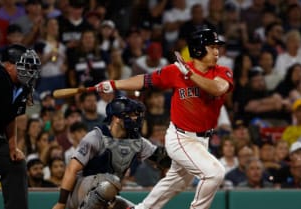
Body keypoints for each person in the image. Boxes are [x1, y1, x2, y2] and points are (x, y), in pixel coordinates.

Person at [95, 28, 233, 209]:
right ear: (199, 49)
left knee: (176, 183)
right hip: (181, 137)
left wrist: (190, 75)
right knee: (215, 173)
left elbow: (217, 89)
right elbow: (145, 81)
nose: (217, 51)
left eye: (217, 47)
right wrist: (113, 84)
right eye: (212, 47)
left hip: (202, 140)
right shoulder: (176, 71)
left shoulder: (222, 71)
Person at [52, 96, 171, 209]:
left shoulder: (137, 141)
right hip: (79, 192)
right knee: (109, 182)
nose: (135, 118)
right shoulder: (96, 136)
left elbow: (163, 159)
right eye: (130, 115)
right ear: (116, 118)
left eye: (136, 115)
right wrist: (61, 203)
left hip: (108, 195)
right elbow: (71, 169)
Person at [0, 44, 41, 209]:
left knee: (15, 165)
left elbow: (10, 116)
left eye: (32, 67)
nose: (30, 71)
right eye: (26, 66)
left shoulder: (21, 86)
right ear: (8, 65)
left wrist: (13, 147)